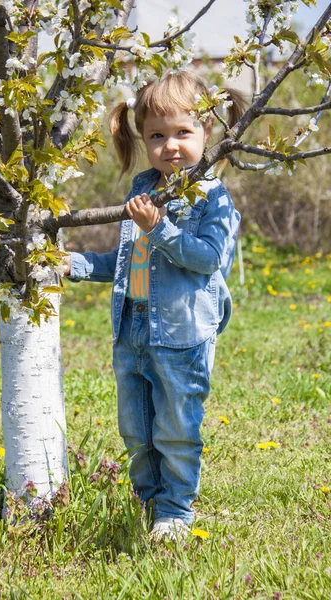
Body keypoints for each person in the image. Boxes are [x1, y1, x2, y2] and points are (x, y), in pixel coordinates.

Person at [63, 70, 246, 539]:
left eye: (183, 132)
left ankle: (175, 512)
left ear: (208, 131)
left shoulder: (213, 198)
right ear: (142, 139)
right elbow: (127, 260)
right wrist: (79, 264)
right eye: (157, 136)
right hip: (132, 329)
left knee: (176, 430)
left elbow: (207, 259)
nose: (171, 146)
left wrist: (159, 229)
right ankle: (148, 504)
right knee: (137, 431)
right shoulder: (143, 188)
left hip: (181, 334)